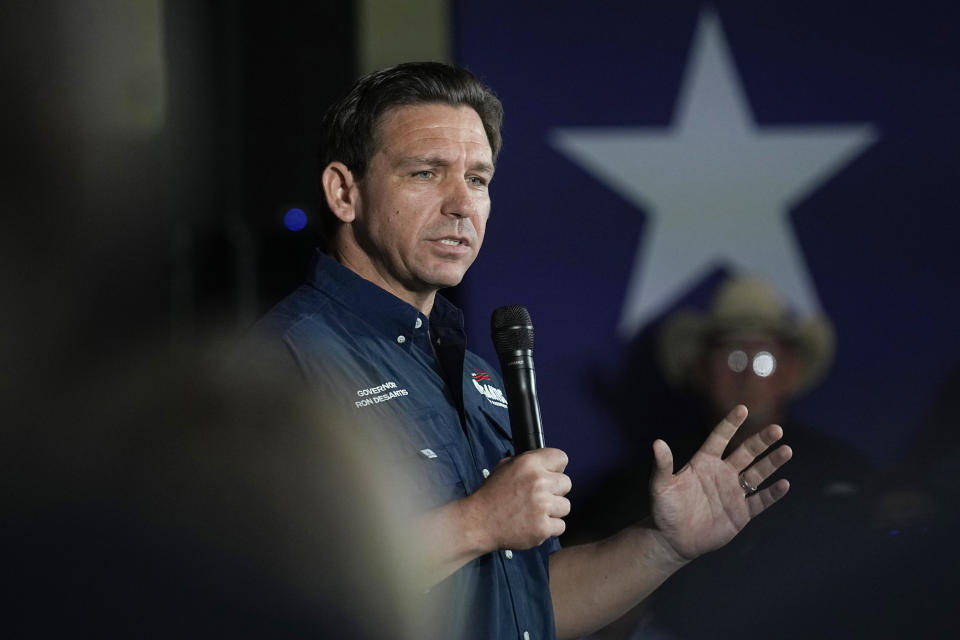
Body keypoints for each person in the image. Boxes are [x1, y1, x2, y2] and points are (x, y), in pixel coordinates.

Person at [244, 62, 793, 640]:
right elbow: (269, 584)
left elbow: (531, 604)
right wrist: (478, 522)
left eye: (478, 180)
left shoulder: (474, 372)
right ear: (343, 192)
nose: (461, 204)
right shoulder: (281, 364)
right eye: (427, 173)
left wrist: (663, 546)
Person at [566, 275, 874, 638]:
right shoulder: (651, 477)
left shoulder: (843, 471)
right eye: (733, 356)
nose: (746, 374)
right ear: (701, 369)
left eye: (763, 360)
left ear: (791, 372)